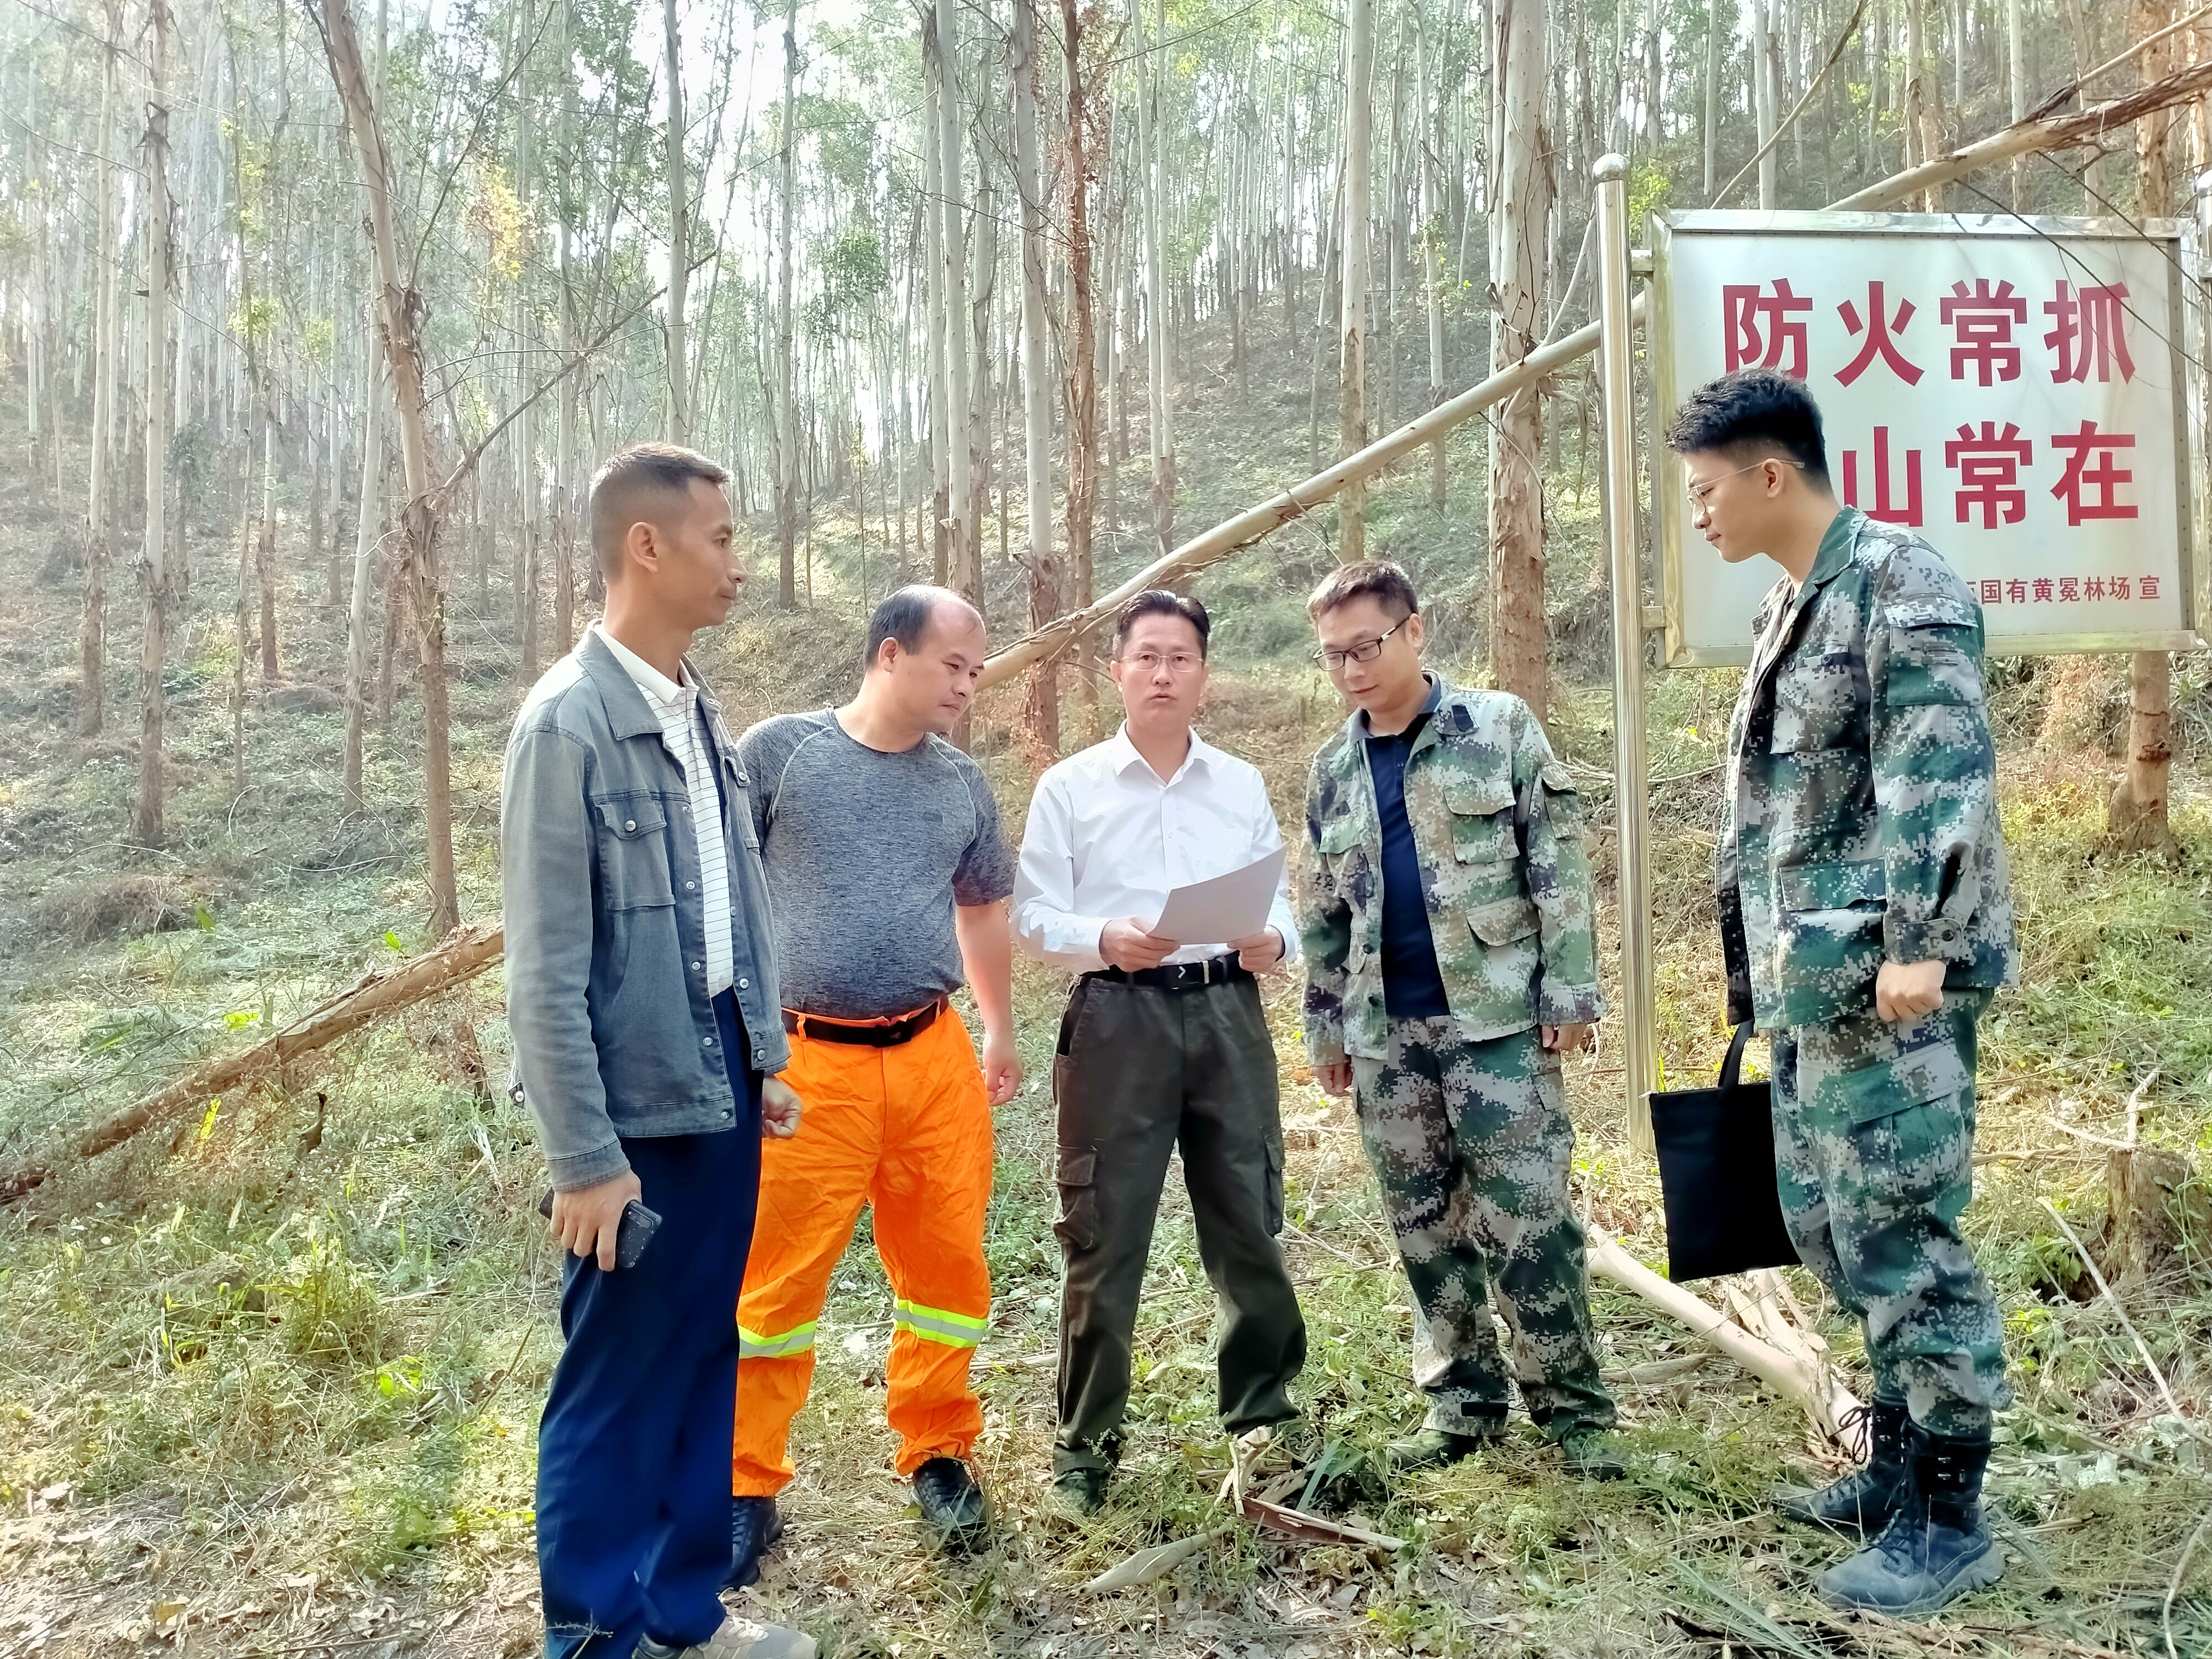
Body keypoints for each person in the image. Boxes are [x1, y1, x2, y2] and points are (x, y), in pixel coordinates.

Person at [1669, 368, 2017, 1617]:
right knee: (1827, 1225)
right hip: (1816, 991)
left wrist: (1921, 939)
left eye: (1706, 491)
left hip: (1891, 989)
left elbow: (1938, 768)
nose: (1697, 514)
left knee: (1903, 1235)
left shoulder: (1897, 582)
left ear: (1772, 475)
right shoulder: (1790, 608)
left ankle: (1949, 1512)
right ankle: (1892, 1466)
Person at [502, 444, 815, 1659]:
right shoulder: (567, 725)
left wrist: (762, 1055)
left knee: (699, 1355)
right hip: (629, 1125)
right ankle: (593, 1635)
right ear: (648, 546)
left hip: (719, 1091)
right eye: (722, 538)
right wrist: (585, 1159)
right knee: (617, 1379)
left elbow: (727, 904)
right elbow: (542, 968)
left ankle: (684, 1616)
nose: (737, 559)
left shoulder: (693, 709)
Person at [1298, 560, 1624, 1481]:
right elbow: (1325, 914)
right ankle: (1463, 1403)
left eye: (1366, 646)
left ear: (1415, 630)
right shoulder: (1333, 771)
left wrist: (1569, 995)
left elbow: (1557, 866)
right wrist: (1328, 1030)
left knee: (1531, 1220)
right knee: (1424, 1226)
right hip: (1386, 1035)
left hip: (1498, 1024)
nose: (1353, 670)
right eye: (1334, 657)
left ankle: (1573, 1410)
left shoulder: (1500, 727)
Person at [727, 586, 1021, 1574]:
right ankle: (744, 1480)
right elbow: (722, 890)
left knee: (946, 1270)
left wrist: (999, 1028)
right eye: (954, 666)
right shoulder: (780, 754)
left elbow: (983, 911)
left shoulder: (961, 785)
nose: (968, 687)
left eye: (977, 671)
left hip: (934, 1057)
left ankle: (939, 1450)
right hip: (807, 1068)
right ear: (890, 654)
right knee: (774, 1281)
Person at [1013, 591, 1308, 1520]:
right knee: (1103, 1233)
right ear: (1118, 671)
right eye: (1146, 657)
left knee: (1248, 1219)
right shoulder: (1072, 787)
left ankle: (1261, 1418)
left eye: (1181, 658)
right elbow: (1032, 915)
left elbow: (1280, 900)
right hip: (1118, 1021)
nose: (1164, 674)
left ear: (1204, 674)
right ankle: (1086, 1445)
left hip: (1227, 1013)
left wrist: (1277, 943)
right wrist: (1104, 936)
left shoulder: (1241, 784)